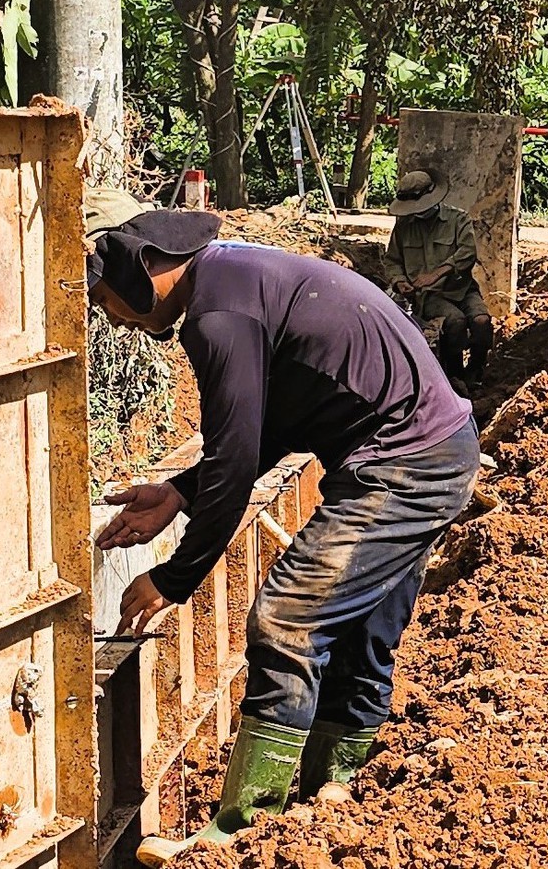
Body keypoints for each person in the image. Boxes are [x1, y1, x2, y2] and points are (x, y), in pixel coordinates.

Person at [90, 211, 477, 863]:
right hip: (433, 451)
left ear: (143, 269)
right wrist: (180, 490)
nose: (118, 320)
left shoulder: (218, 316)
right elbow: (271, 423)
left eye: (111, 303)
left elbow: (237, 466)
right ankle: (334, 802)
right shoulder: (236, 280)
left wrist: (173, 575)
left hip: (407, 465)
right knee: (357, 635)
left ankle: (242, 832)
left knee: (287, 619)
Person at [382, 169, 492, 393]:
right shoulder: (403, 227)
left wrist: (439, 272)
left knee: (481, 321)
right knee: (455, 322)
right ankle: (454, 374)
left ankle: (476, 370)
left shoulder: (457, 219)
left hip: (462, 288)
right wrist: (399, 281)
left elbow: (468, 252)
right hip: (429, 296)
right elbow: (392, 261)